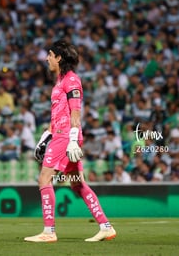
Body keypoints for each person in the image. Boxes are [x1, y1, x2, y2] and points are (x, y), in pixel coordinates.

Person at [24, 40, 116, 243]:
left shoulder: (71, 80)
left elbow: (75, 113)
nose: (47, 58)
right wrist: (43, 139)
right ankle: (105, 226)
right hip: (59, 135)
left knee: (44, 179)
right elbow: (57, 114)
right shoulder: (60, 81)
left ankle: (49, 232)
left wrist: (73, 140)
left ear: (59, 58)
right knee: (77, 184)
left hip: (66, 136)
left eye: (50, 54)